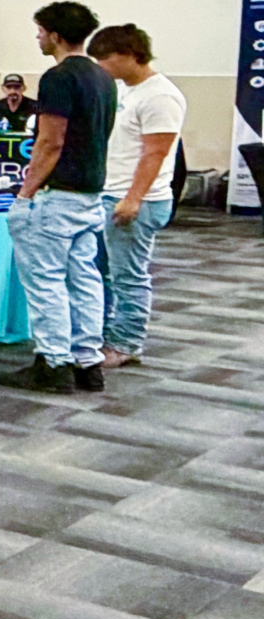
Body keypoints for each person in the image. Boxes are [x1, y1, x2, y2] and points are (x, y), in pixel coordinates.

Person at [0, 1, 117, 394]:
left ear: (56, 35)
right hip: (89, 192)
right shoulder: (104, 78)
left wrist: (25, 193)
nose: (37, 38)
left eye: (40, 31)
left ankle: (52, 362)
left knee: (45, 280)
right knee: (85, 279)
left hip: (56, 195)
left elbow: (50, 142)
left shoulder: (58, 78)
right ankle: (88, 362)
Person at [90, 23, 180, 371]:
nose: (100, 67)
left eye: (105, 59)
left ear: (128, 55)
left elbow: (155, 153)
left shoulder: (160, 96)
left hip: (137, 200)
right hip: (108, 193)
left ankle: (126, 343)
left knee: (128, 276)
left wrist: (133, 198)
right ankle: (98, 335)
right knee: (99, 273)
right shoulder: (124, 90)